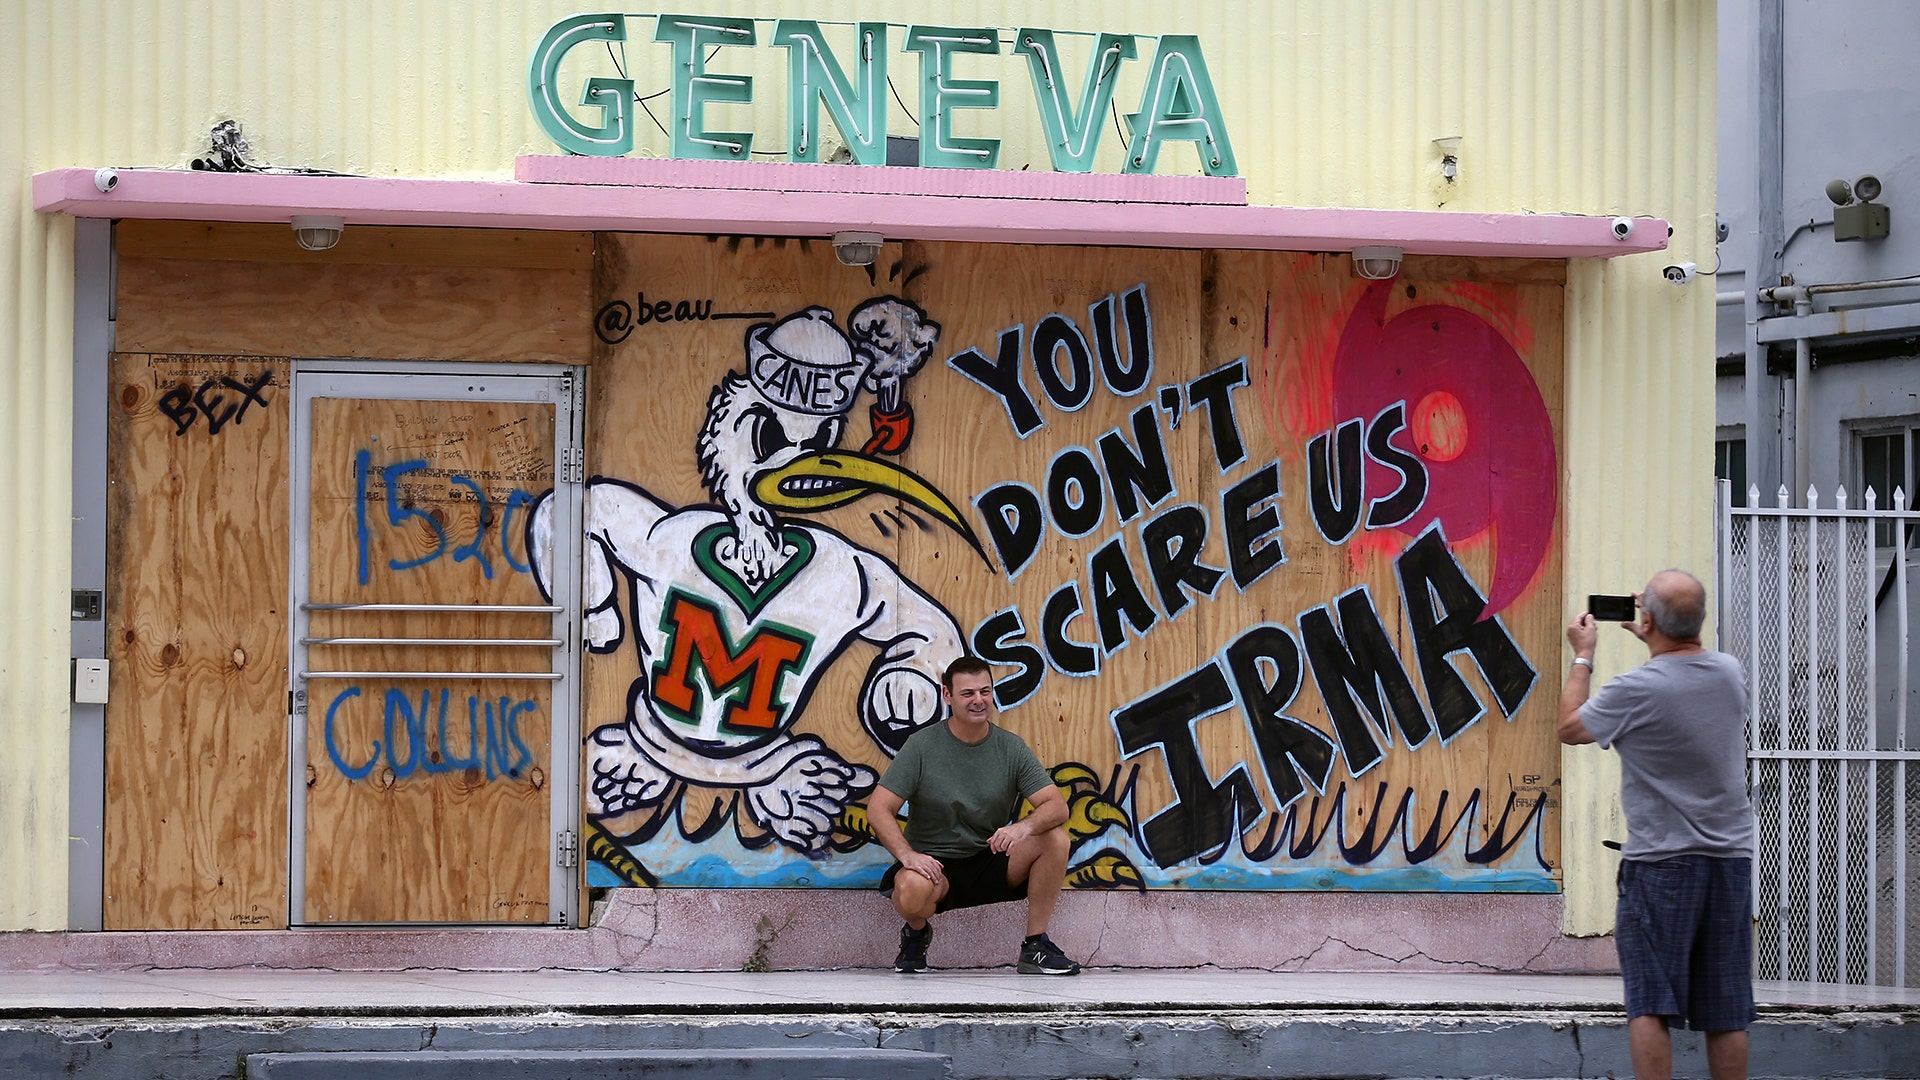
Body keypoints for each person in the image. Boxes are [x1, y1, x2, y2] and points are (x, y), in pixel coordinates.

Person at [1559, 569, 1757, 1080]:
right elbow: (1684, 664)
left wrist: (1583, 654)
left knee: (1651, 1001)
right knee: (1726, 1010)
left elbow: (1571, 727)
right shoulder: (1730, 673)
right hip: (1730, 860)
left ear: (1646, 619)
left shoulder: (1636, 689)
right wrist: (1652, 629)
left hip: (1661, 866)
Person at [868, 656, 1081, 975]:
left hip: (991, 859)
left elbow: (1056, 806)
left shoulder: (1011, 748)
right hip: (935, 867)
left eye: (985, 691)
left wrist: (1021, 829)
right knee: (910, 890)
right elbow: (878, 808)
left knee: (1054, 838)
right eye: (968, 693)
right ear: (947, 696)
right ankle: (916, 932)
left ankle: (1035, 945)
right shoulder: (922, 747)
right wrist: (908, 855)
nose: (979, 700)